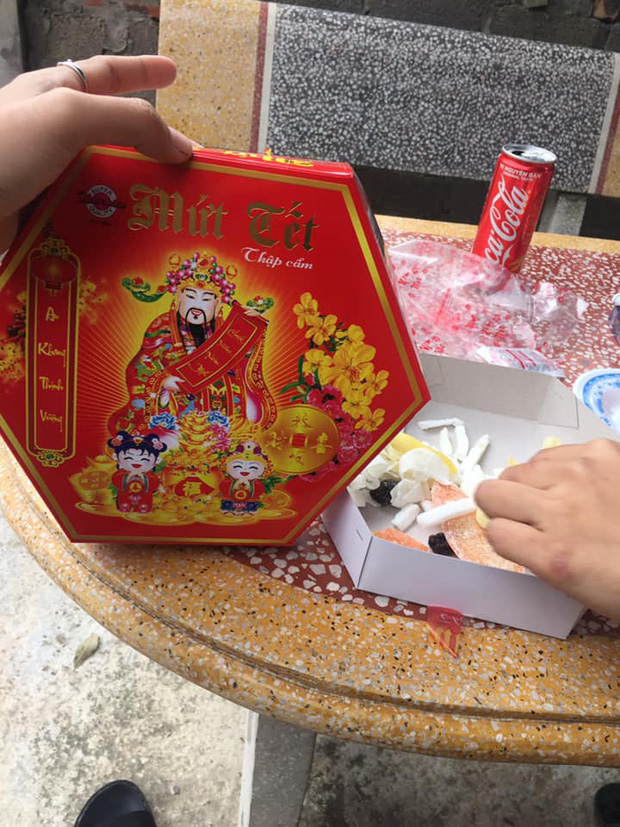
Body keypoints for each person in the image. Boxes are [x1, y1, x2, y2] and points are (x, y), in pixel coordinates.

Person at [2, 54, 620, 827]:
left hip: (222, 427)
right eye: (188, 298)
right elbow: (139, 373)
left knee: (244, 450)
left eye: (205, 300)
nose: (195, 309)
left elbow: (255, 384)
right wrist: (159, 391)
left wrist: (246, 408)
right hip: (163, 429)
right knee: (141, 444)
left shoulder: (237, 331)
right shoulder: (160, 332)